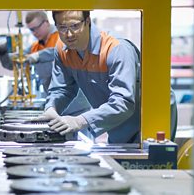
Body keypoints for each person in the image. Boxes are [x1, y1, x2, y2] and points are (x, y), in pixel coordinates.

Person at [41, 10, 176, 144]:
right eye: (62, 27)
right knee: (120, 161)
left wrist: (79, 121)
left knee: (150, 159)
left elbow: (123, 102)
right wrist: (51, 108)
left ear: (87, 21)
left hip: (151, 116)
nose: (69, 34)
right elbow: (62, 89)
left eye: (75, 26)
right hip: (117, 121)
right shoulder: (62, 50)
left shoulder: (116, 49)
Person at [0, 10, 90, 116]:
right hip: (56, 105)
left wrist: (37, 56)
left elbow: (58, 50)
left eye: (36, 28)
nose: (34, 32)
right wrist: (2, 52)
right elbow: (16, 63)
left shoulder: (64, 37)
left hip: (77, 106)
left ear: (46, 23)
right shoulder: (35, 47)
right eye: (31, 30)